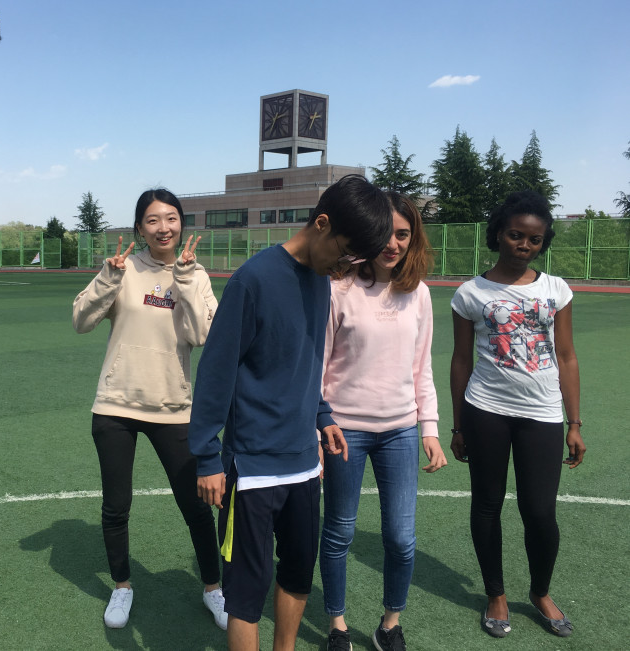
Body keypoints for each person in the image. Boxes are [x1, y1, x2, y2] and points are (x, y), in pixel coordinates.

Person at [189, 174, 394, 651]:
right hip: (252, 468)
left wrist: (322, 414)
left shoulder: (322, 281)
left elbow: (305, 359)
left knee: (298, 575)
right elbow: (216, 372)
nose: (346, 268)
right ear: (321, 224)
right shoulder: (252, 280)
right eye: (346, 254)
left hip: (303, 464)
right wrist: (206, 457)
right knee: (246, 593)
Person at [72, 188, 227, 631]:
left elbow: (202, 336)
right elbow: (81, 321)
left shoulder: (196, 275)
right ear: (140, 228)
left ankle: (213, 589)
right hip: (116, 404)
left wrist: (184, 280)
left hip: (173, 406)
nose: (164, 228)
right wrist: (108, 278)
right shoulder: (121, 269)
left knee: (196, 506)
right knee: (116, 506)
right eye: (153, 220)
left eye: (171, 218)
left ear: (182, 225)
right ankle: (122, 586)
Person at [450, 190, 586, 639]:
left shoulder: (555, 289)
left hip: (542, 413)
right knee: (487, 504)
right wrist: (458, 425)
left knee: (540, 511)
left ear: (542, 243)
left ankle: (540, 592)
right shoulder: (471, 293)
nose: (523, 244)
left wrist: (574, 423)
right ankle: (496, 594)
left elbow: (566, 356)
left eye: (534, 239)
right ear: (498, 235)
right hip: (486, 409)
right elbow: (461, 361)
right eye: (515, 235)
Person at [319, 192, 447, 651]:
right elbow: (319, 366)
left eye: (403, 234)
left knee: (401, 538)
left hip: (400, 431)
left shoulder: (419, 293)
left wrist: (429, 428)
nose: (393, 244)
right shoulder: (339, 288)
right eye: (384, 233)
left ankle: (389, 624)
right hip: (344, 430)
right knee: (339, 532)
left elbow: (421, 367)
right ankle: (337, 625)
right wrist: (316, 429)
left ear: (414, 239)